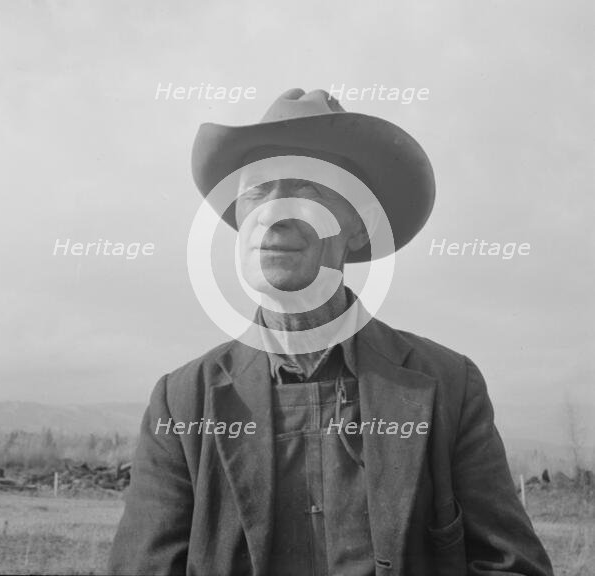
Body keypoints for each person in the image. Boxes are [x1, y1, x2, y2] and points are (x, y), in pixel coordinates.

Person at [109, 89, 553, 575]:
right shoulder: (183, 402)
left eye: (306, 189)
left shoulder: (449, 385)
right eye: (257, 190)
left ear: (358, 228)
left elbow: (512, 566)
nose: (274, 212)